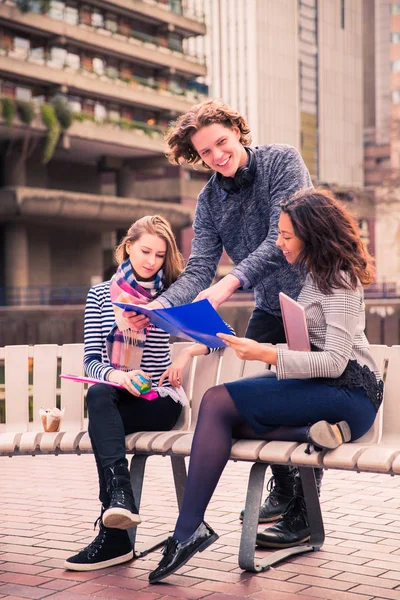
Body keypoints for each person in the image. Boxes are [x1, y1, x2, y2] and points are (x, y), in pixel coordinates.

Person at [148, 188, 384, 584]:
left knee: (216, 402)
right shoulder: (315, 276)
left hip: (350, 396)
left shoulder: (339, 278)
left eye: (286, 235)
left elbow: (336, 361)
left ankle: (187, 531)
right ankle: (310, 433)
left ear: (313, 234)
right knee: (225, 422)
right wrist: (244, 345)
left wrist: (267, 355)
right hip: (327, 395)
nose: (279, 243)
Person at [125, 99, 314, 538]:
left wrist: (233, 281)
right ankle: (286, 488)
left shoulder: (282, 161)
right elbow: (198, 269)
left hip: (314, 298)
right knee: (262, 395)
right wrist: (160, 307)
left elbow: (281, 235)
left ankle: (304, 515)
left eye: (222, 143)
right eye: (206, 152)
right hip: (270, 304)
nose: (217, 156)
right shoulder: (209, 200)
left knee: (307, 393)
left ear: (236, 130)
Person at [64, 215, 218, 572]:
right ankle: (120, 502)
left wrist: (185, 353)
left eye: (160, 255)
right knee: (101, 396)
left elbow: (219, 337)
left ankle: (115, 532)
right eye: (145, 251)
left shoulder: (172, 296)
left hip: (159, 401)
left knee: (103, 420)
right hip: (119, 394)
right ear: (128, 246)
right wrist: (119, 375)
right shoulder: (101, 296)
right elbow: (91, 361)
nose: (151, 261)